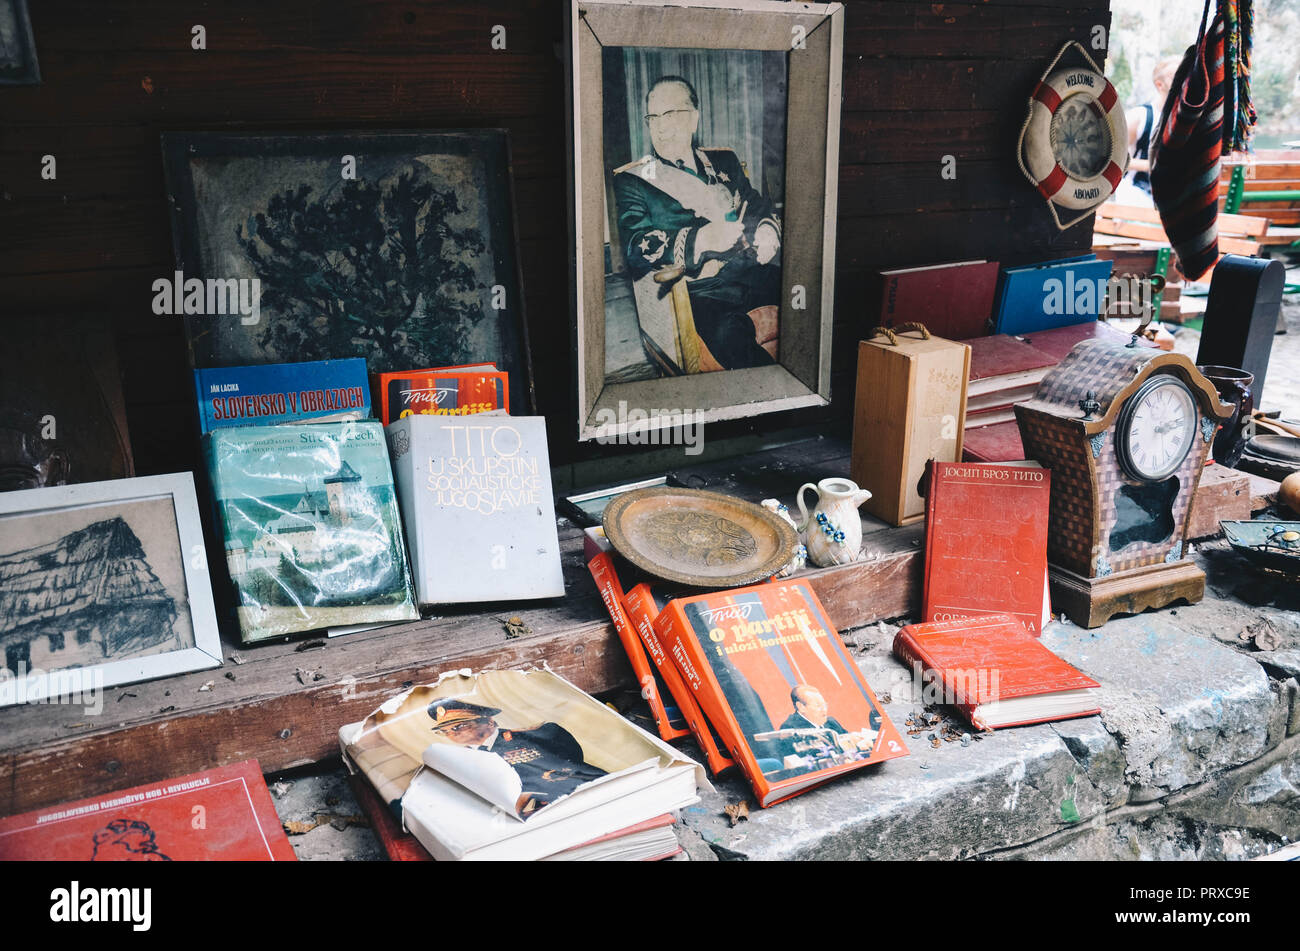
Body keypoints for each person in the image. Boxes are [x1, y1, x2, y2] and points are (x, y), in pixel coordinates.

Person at [612, 74, 781, 371]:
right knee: (731, 339)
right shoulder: (634, 181)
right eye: (653, 117)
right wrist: (702, 239)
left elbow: (755, 204)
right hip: (699, 292)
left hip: (747, 269)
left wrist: (766, 231)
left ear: (693, 119)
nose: (660, 127)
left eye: (670, 114)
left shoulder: (723, 160)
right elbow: (636, 247)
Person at [426, 698, 606, 816]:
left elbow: (571, 762)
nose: (451, 733)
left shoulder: (538, 735)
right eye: (445, 731)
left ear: (489, 721)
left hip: (581, 799)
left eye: (458, 726)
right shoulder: (462, 760)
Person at [1123, 58, 1182, 198]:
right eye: (1176, 75)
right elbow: (1111, 159)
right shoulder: (1139, 116)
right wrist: (1152, 165)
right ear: (1159, 85)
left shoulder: (1191, 121)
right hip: (1136, 196)